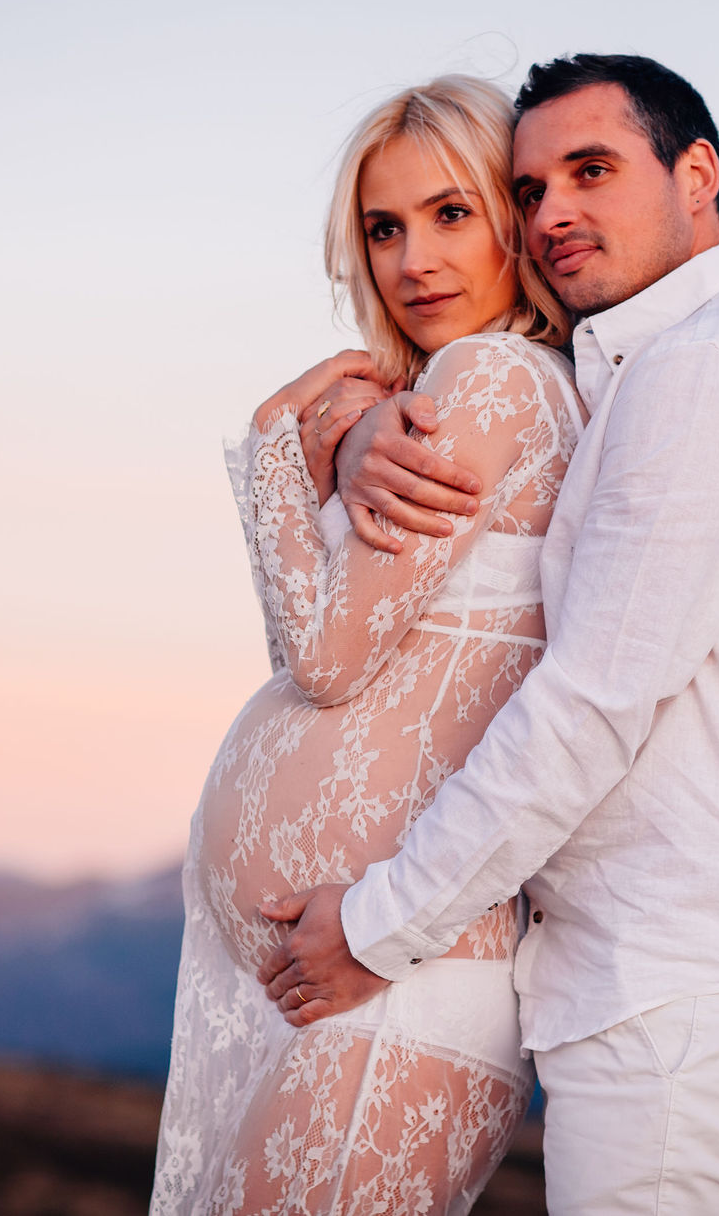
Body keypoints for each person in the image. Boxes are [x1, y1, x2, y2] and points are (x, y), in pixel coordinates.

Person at [256, 54, 719, 1214]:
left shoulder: (712, 370)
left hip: (687, 981)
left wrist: (375, 926)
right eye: (531, 188)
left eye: (590, 172)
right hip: (657, 978)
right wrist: (352, 426)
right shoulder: (641, 369)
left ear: (696, 174)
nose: (552, 215)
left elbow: (590, 701)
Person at [150, 74, 584, 1216]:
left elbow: (326, 662)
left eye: (449, 214)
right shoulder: (448, 391)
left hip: (397, 995)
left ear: (512, 214)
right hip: (351, 996)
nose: (412, 260)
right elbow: (327, 654)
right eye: (383, 229)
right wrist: (328, 451)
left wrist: (273, 451)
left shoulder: (488, 377)